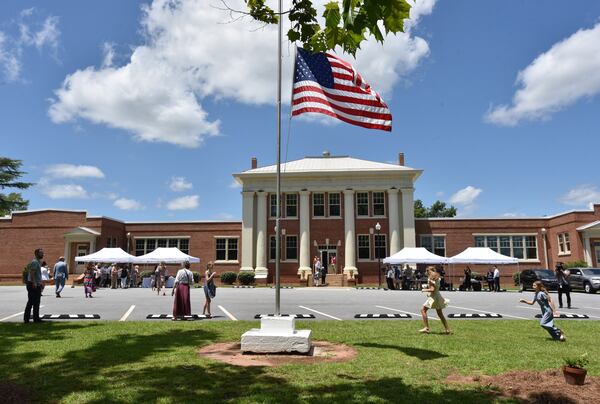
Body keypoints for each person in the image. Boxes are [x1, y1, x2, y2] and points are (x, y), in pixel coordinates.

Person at [419, 266, 451, 334]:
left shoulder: (431, 278)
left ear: (428, 271)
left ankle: (426, 328)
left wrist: (424, 290)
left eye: (427, 271)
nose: (426, 272)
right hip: (438, 296)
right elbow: (435, 289)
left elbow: (432, 289)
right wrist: (429, 292)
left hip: (433, 298)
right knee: (440, 314)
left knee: (423, 310)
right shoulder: (437, 277)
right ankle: (447, 330)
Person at [24, 248, 44, 323]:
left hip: (35, 284)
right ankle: (27, 319)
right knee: (32, 302)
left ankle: (35, 318)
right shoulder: (35, 262)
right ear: (36, 254)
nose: (43, 254)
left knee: (35, 302)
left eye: (42, 253)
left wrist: (40, 283)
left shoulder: (38, 262)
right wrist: (34, 283)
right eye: (41, 253)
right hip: (33, 284)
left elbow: (36, 274)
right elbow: (32, 273)